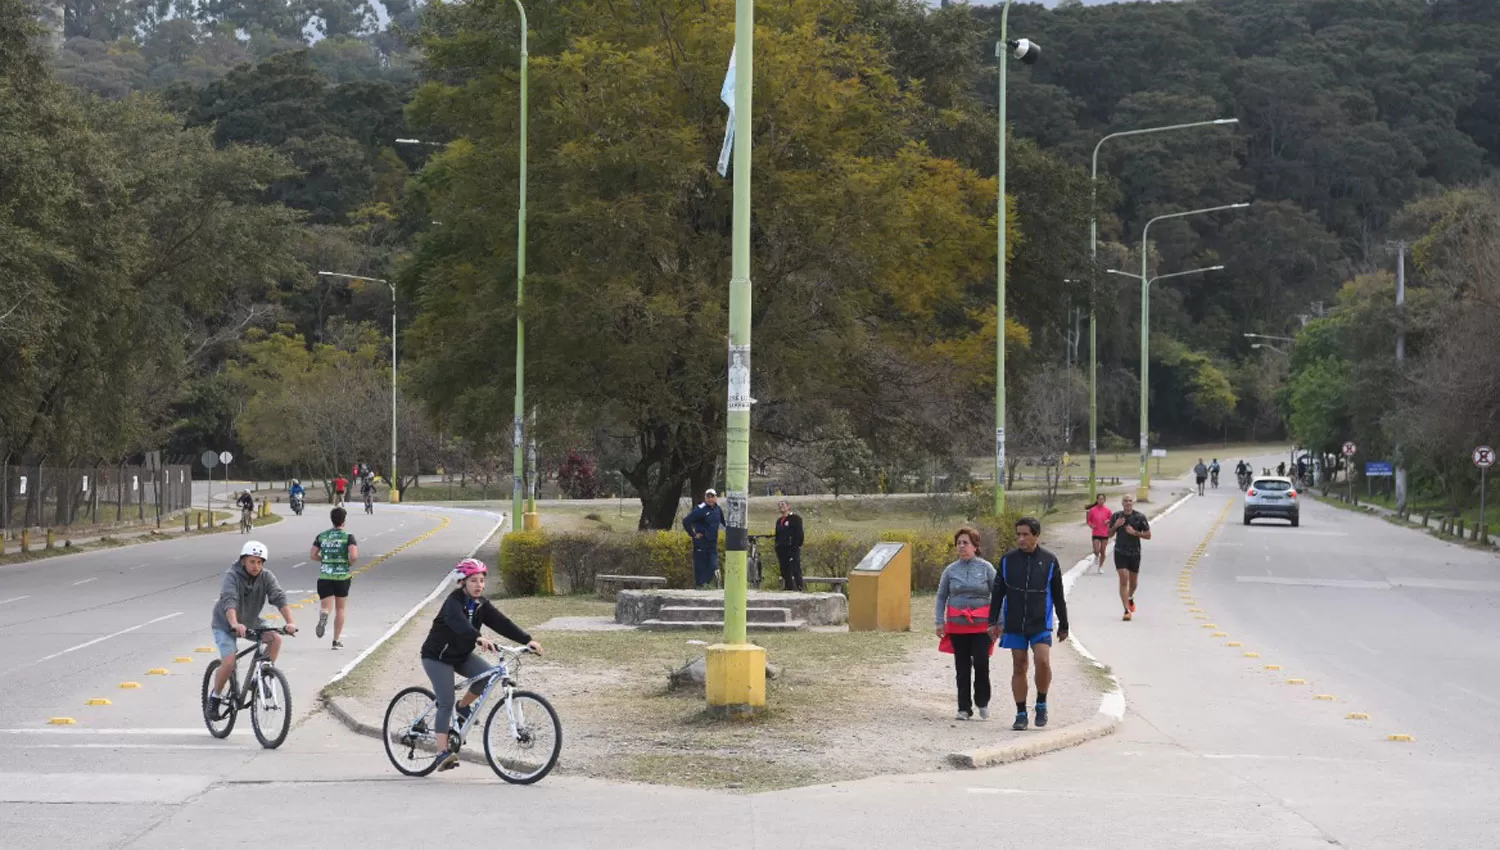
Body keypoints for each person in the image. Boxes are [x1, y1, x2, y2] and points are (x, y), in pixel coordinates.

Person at [420, 559, 542, 771]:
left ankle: (463, 708)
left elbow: (502, 623)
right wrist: (477, 637)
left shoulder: (481, 604)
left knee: (487, 676)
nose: (479, 585)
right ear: (463, 582)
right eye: (474, 580)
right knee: (445, 701)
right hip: (436, 657)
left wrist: (526, 640)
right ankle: (441, 753)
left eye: (482, 580)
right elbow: (459, 623)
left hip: (460, 655)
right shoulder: (453, 602)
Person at [987, 517, 1068, 731]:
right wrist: (992, 621)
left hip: (1040, 621)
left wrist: (1064, 624)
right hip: (1014, 622)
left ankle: (1041, 701)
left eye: (1025, 534)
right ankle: (1021, 712)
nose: (1021, 539)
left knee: (1043, 661)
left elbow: (1058, 595)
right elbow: (997, 592)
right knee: (1019, 665)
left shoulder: (1049, 560)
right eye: (1018, 534)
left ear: (1036, 535)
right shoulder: (1008, 560)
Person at [208, 541, 297, 719]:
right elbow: (229, 600)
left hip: (250, 621)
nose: (256, 566)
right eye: (252, 562)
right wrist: (234, 624)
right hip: (226, 624)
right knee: (230, 661)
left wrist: (290, 622)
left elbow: (278, 597)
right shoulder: (232, 576)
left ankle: (260, 677)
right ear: (243, 561)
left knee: (275, 639)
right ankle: (215, 697)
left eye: (259, 562)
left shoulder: (267, 577)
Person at [935, 526, 996, 721]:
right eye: (958, 543)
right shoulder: (950, 570)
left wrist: (999, 621)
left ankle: (982, 701)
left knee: (980, 661)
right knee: (961, 667)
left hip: (981, 626)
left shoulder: (986, 568)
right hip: (957, 625)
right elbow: (941, 596)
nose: (961, 546)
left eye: (965, 543)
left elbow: (998, 595)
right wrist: (939, 621)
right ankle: (963, 708)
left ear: (975, 546)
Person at [311, 507, 359, 649]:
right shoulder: (348, 536)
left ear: (331, 519)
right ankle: (335, 640)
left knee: (326, 606)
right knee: (340, 609)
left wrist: (325, 560)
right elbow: (354, 555)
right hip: (342, 576)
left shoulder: (321, 536)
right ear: (344, 520)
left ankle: (324, 614)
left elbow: (313, 555)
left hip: (325, 575)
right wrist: (347, 563)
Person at [1109, 495, 1152, 621]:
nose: (1128, 503)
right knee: (1123, 579)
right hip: (1120, 552)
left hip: (1134, 552)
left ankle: (1130, 597)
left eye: (1130, 501)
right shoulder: (1116, 516)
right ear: (1122, 503)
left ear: (1132, 503)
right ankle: (1126, 610)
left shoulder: (1139, 517)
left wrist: (1135, 533)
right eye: (1125, 501)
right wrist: (1115, 526)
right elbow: (1108, 534)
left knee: (1133, 583)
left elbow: (1149, 535)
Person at [682, 489, 726, 588]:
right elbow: (686, 521)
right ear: (705, 498)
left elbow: (723, 523)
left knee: (713, 566)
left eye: (712, 497)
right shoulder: (700, 510)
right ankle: (700, 587)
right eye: (708, 497)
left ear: (716, 498)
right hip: (701, 542)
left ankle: (707, 585)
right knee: (700, 567)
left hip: (712, 542)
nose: (710, 499)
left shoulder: (717, 509)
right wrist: (693, 534)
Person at [773, 499, 804, 591]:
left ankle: (799, 587)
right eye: (779, 505)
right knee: (784, 569)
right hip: (782, 548)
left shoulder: (795, 519)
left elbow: (799, 534)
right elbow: (777, 535)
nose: (781, 507)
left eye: (783, 505)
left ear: (788, 506)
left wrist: (795, 545)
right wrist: (777, 545)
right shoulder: (779, 521)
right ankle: (788, 587)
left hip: (792, 548)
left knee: (795, 568)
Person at [1085, 494, 1113, 575]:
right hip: (1096, 532)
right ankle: (1096, 556)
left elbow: (1112, 519)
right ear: (1097, 500)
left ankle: (1100, 567)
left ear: (1104, 500)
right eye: (1099, 499)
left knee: (1103, 551)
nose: (1101, 501)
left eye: (1102, 499)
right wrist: (1091, 525)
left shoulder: (1107, 510)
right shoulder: (1092, 510)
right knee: (1096, 550)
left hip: (1104, 533)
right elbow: (1089, 520)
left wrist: (1108, 521)